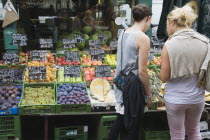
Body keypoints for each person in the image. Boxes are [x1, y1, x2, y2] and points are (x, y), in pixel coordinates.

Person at [159, 2, 209, 140]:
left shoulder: (169, 44)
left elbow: (164, 77)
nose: (166, 27)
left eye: (167, 23)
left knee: (177, 135)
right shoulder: (204, 41)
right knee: (194, 132)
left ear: (173, 22)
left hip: (175, 98)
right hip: (197, 97)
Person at [109, 4, 152, 140]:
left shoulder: (123, 33)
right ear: (148, 18)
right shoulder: (143, 38)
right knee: (133, 126)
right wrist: (148, 95)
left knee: (121, 119)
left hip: (120, 83)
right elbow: (143, 72)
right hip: (132, 88)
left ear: (133, 18)